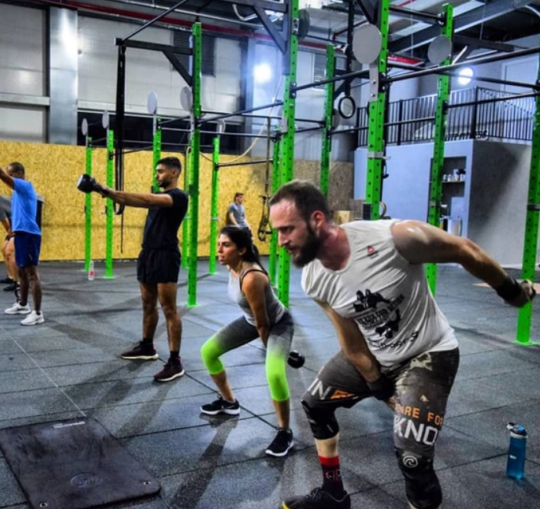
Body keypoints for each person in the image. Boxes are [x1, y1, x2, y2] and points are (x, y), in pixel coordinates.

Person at [269, 180, 534, 509]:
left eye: (287, 230)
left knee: (412, 456)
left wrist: (510, 290)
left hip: (429, 353)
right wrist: (378, 385)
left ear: (317, 220)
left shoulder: (393, 238)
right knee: (315, 403)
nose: (280, 241)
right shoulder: (314, 278)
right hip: (377, 352)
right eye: (278, 232)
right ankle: (333, 493)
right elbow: (350, 338)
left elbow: (464, 249)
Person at [200, 225, 295, 457]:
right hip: (252, 321)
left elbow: (264, 324)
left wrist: (276, 351)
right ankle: (229, 402)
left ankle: (285, 432)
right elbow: (255, 320)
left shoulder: (251, 278)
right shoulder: (232, 266)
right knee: (208, 352)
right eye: (218, 244)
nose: (219, 250)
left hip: (277, 324)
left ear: (241, 250)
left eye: (226, 245)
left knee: (274, 373)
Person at [91, 157, 189, 382]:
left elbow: (143, 199)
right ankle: (147, 346)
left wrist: (104, 189)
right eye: (156, 171)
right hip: (148, 253)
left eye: (161, 171)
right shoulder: (159, 196)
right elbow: (130, 198)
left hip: (165, 255)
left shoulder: (178, 196)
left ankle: (175, 361)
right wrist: (101, 190)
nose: (157, 175)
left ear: (174, 173)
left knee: (169, 309)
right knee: (147, 303)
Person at [0, 142, 44, 326]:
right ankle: (23, 305)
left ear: (19, 174)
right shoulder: (17, 194)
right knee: (21, 271)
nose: (8, 178)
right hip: (20, 234)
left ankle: (38, 313)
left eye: (10, 175)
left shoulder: (25, 186)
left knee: (32, 274)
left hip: (30, 234)